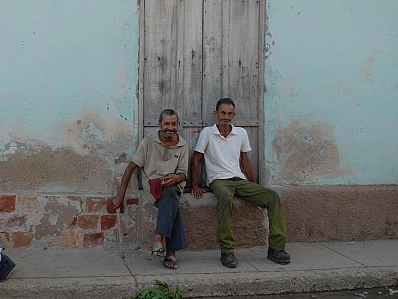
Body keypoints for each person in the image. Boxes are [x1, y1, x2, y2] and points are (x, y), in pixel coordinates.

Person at [191, 98, 290, 268]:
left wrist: (255, 184)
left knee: (272, 197)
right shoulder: (207, 133)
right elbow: (196, 159)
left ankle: (276, 249)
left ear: (234, 115)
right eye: (223, 113)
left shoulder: (241, 133)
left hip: (239, 179)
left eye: (230, 113)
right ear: (216, 114)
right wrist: (195, 184)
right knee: (225, 200)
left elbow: (245, 160)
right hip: (218, 181)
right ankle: (227, 251)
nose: (226, 117)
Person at [111, 109, 188, 269]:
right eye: (166, 123)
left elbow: (184, 174)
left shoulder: (183, 145)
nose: (170, 127)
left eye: (173, 124)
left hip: (172, 186)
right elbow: (131, 167)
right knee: (171, 198)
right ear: (159, 124)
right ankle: (170, 252)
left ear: (177, 125)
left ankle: (159, 239)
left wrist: (177, 177)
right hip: (153, 186)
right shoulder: (148, 142)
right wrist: (120, 195)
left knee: (170, 193)